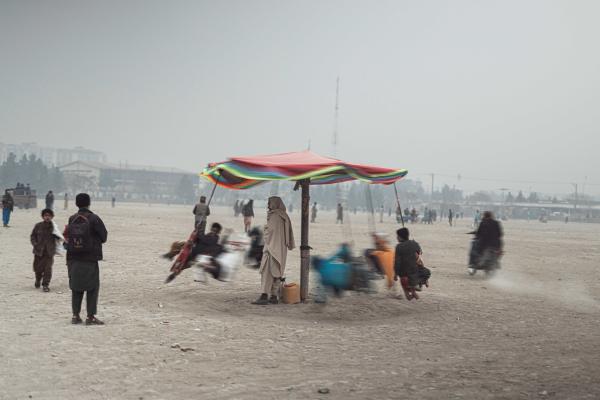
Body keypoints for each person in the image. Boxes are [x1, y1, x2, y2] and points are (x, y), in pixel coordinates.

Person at [65, 193, 108, 325]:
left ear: (76, 203)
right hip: (90, 258)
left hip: (73, 258)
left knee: (76, 287)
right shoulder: (94, 218)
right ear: (89, 203)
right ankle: (90, 316)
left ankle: (75, 315)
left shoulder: (72, 218)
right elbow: (104, 237)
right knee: (92, 288)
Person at [253, 196, 295, 305]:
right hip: (281, 249)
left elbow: (269, 233)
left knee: (267, 272)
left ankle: (264, 295)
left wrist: (264, 229)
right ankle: (274, 296)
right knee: (277, 272)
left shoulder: (275, 216)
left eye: (269, 203)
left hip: (272, 248)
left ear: (275, 204)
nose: (268, 205)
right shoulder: (285, 216)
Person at [30, 209, 58, 292]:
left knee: (48, 269)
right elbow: (33, 236)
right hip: (38, 252)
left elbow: (59, 237)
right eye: (46, 215)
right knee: (38, 269)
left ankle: (45, 285)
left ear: (52, 217)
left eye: (49, 215)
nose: (47, 217)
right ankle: (38, 279)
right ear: (43, 216)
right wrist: (35, 244)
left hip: (49, 252)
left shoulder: (54, 227)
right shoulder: (38, 226)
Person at [394, 227, 422, 301]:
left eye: (397, 236)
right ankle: (413, 292)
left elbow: (397, 262)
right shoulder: (414, 243)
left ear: (400, 237)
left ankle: (407, 294)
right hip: (414, 270)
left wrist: (395, 274)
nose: (396, 238)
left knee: (403, 278)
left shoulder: (399, 247)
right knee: (410, 276)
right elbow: (419, 252)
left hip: (404, 272)